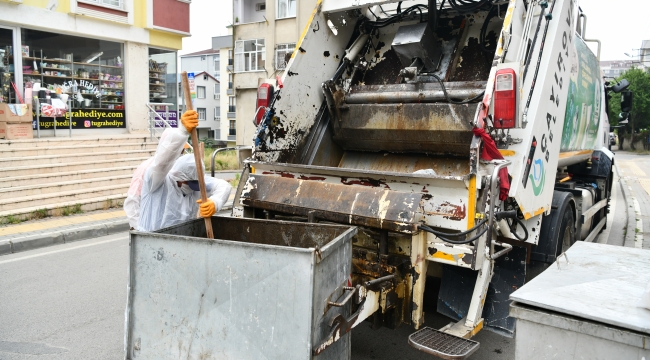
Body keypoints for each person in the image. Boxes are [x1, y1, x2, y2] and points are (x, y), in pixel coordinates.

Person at [137, 110, 232, 232]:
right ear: (179, 178)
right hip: (149, 242)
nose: (193, 189)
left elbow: (224, 186)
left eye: (197, 184)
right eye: (190, 184)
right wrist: (182, 132)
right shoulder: (157, 182)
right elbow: (162, 162)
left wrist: (215, 202)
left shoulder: (195, 184)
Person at [123, 131, 191, 230]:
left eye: (183, 149)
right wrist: (137, 228)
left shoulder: (178, 169)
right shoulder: (146, 168)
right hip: (147, 228)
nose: (182, 152)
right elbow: (133, 200)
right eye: (178, 148)